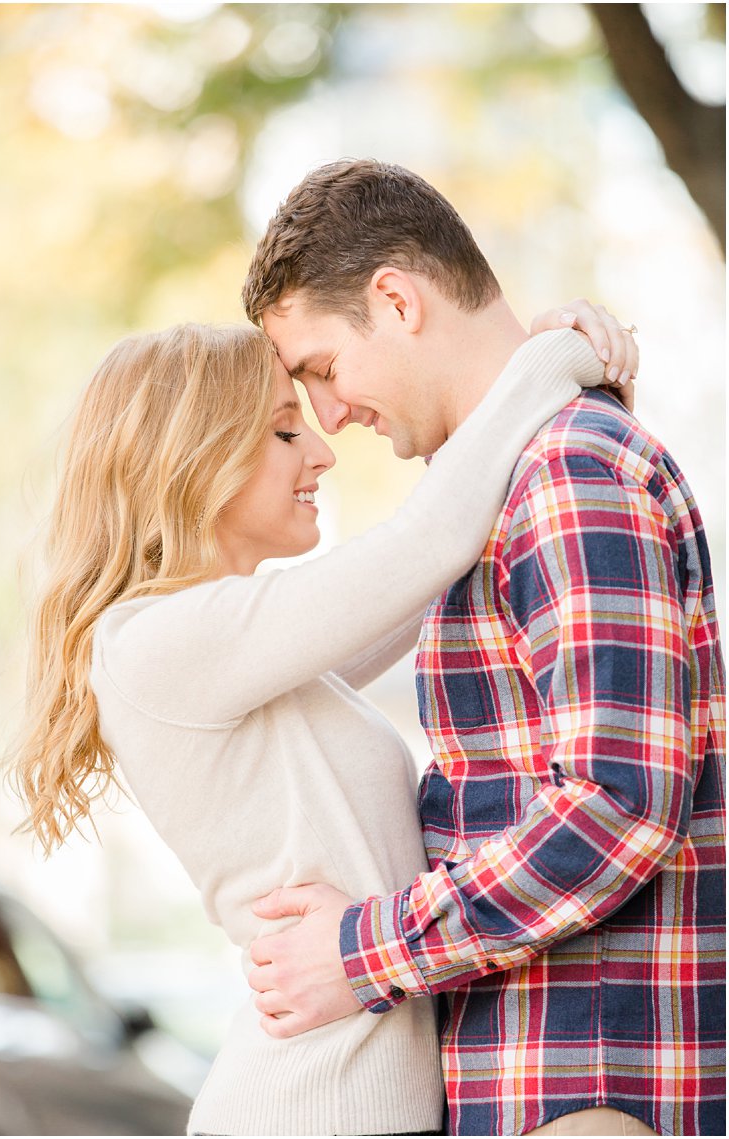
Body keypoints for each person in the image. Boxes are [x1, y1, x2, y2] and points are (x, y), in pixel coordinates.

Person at [13, 300, 629, 1133]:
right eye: (283, 432)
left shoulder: (249, 655)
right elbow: (430, 541)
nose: (324, 451)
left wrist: (543, 382)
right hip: (311, 1109)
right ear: (193, 458)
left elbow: (446, 564)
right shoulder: (161, 643)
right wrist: (554, 358)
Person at [240, 159, 724, 1137]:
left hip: (588, 1091)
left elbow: (614, 804)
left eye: (323, 370)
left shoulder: (567, 472)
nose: (328, 417)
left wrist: (361, 949)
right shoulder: (508, 485)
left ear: (394, 299)